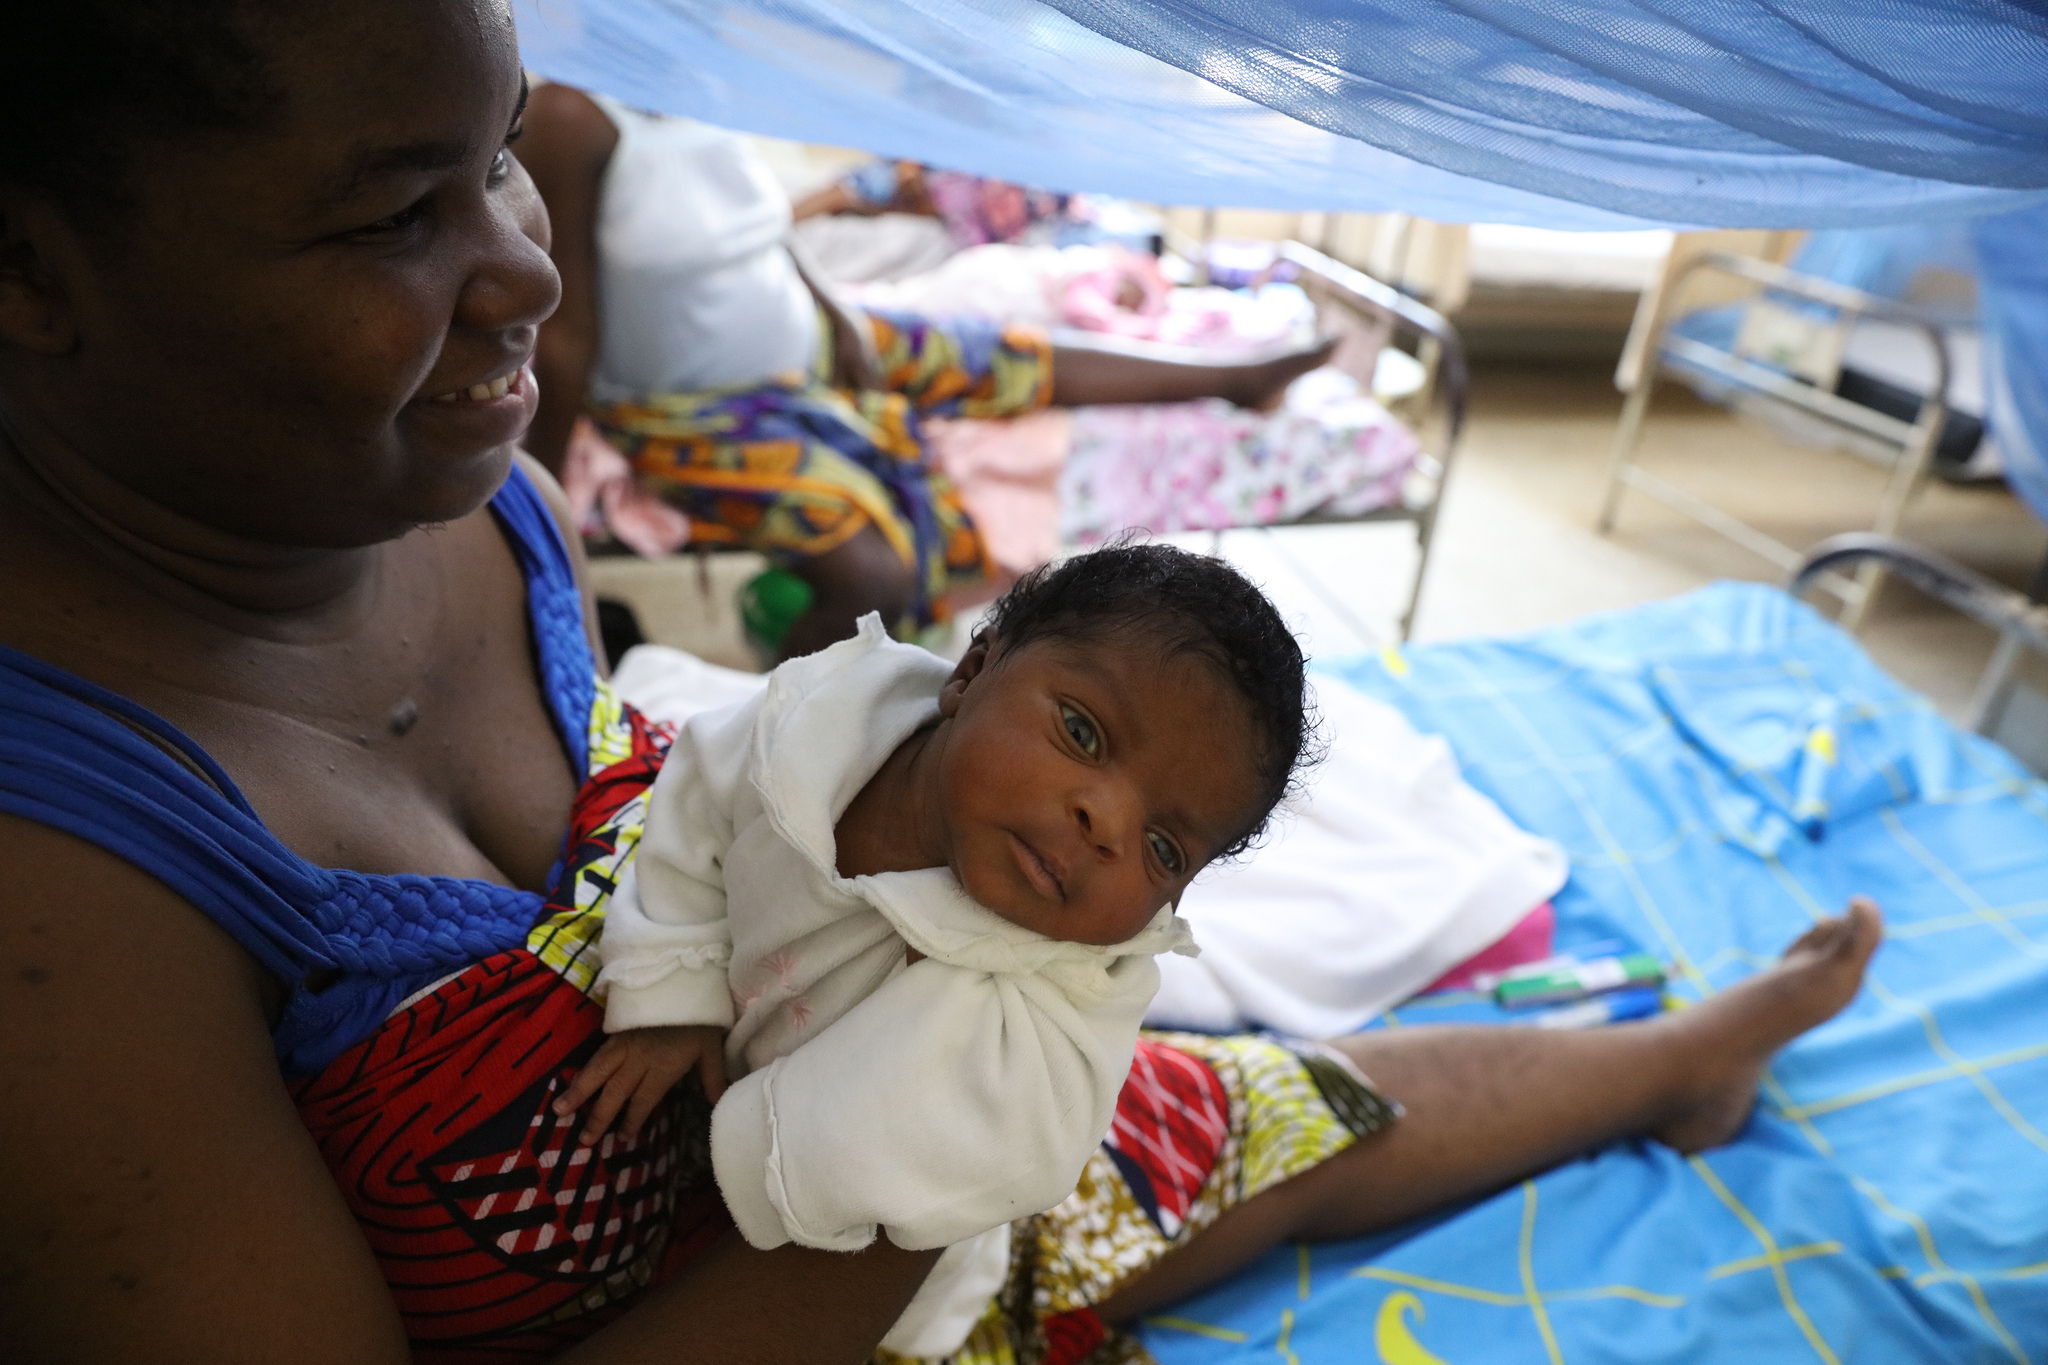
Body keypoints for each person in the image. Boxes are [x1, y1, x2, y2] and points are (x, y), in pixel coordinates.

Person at [0, 4, 1883, 1364]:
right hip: (842, 1243)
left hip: (866, 1138)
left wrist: (988, 1058)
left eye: (497, 155)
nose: (521, 269)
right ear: (31, 266)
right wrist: (956, 1177)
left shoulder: (476, 507)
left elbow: (722, 821)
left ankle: (1674, 1059)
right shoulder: (59, 907)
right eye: (385, 217)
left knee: (1276, 1113)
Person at [556, 545, 1309, 1353]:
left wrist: (745, 1157)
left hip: (891, 1291)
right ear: (972, 669)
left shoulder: (1056, 1006)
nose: (1109, 824)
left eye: (1164, 847)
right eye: (1083, 732)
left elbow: (998, 1148)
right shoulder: (818, 724)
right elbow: (698, 804)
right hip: (710, 1118)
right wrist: (675, 985)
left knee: (1300, 1149)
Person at [517, 83, 1337, 658]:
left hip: (812, 333)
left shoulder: (697, 85)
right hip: (693, 406)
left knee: (1003, 355)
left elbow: (758, 234)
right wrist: (538, 513)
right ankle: (785, 744)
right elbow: (561, 335)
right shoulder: (571, 116)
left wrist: (832, 306)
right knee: (879, 570)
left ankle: (1233, 376)